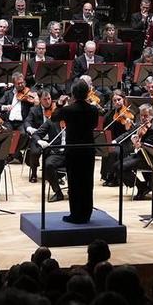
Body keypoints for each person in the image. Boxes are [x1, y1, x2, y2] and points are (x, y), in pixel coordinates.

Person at [55, 76, 105, 224]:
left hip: (73, 150)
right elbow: (95, 125)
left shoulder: (68, 109)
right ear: (87, 93)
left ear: (73, 94)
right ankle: (86, 213)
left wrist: (59, 104)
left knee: (75, 182)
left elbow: (53, 117)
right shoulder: (93, 109)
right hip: (88, 149)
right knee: (87, 183)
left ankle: (76, 215)